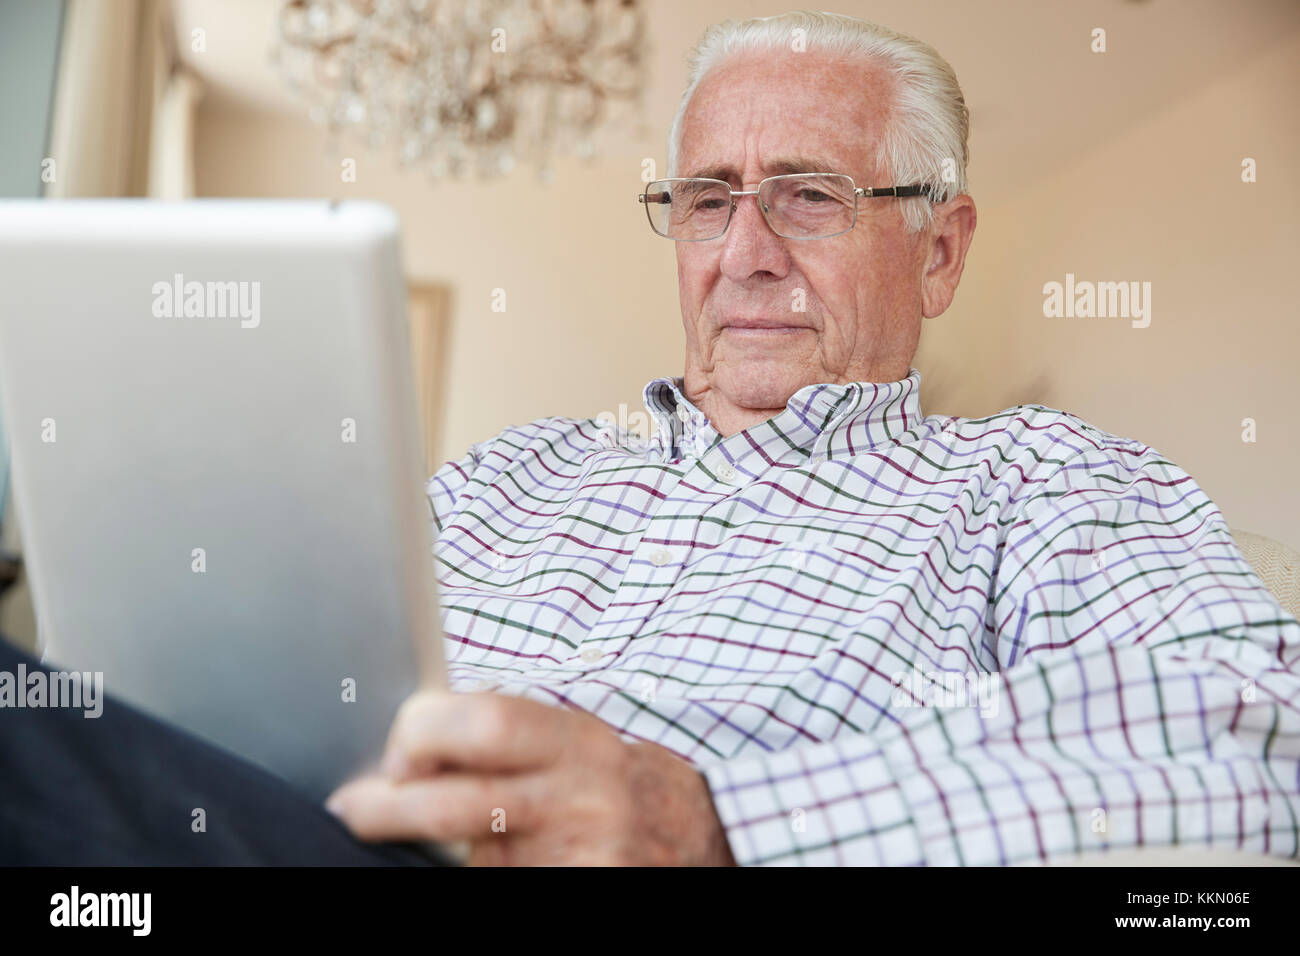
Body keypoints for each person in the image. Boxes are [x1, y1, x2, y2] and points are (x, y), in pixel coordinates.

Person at [4, 11, 1298, 867]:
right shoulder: (507, 475)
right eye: (705, 200)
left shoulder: (1039, 484)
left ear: (940, 249)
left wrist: (719, 821)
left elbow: (1261, 735)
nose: (742, 255)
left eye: (807, 196)